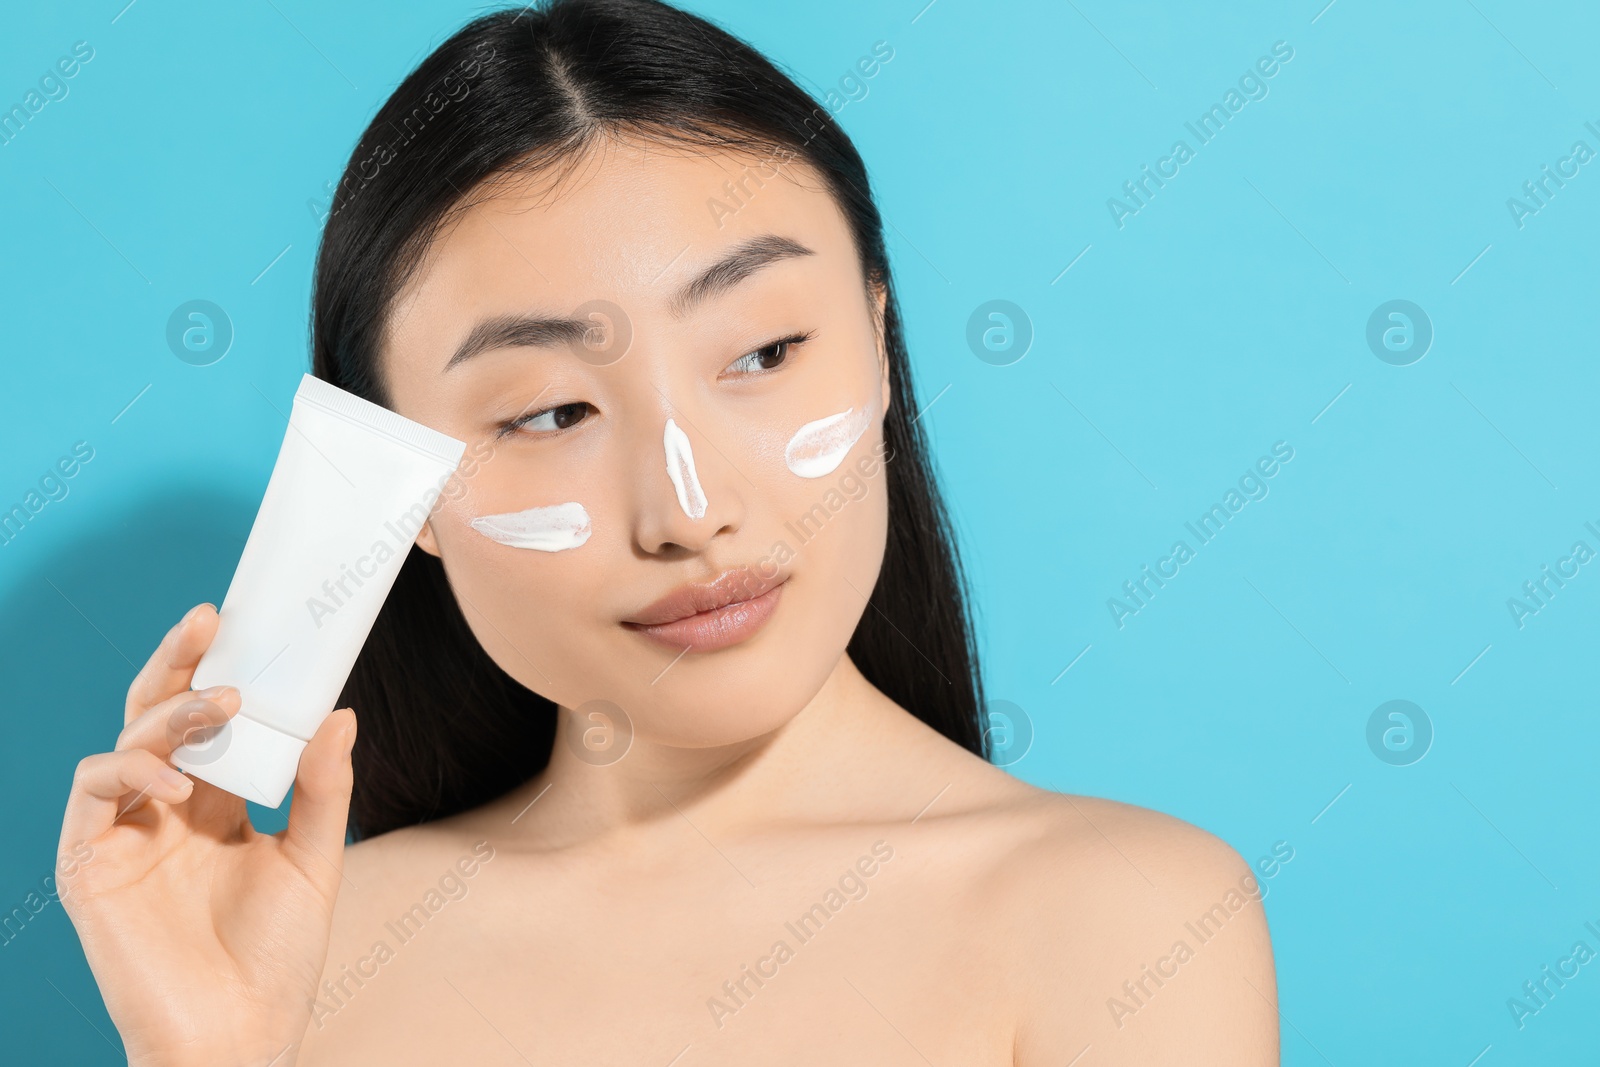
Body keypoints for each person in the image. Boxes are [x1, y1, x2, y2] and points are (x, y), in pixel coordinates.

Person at [57, 1, 1278, 1062]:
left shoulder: (1124, 920)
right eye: (549, 411)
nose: (691, 514)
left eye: (763, 351)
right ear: (403, 490)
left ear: (877, 334)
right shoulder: (295, 951)